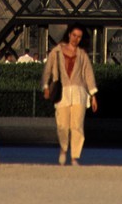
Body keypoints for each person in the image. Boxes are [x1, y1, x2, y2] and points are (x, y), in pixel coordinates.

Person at [42, 23, 98, 166]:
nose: (76, 39)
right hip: (63, 93)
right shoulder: (57, 51)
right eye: (74, 35)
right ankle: (63, 148)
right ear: (69, 34)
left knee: (77, 126)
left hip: (79, 93)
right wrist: (46, 86)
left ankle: (74, 157)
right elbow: (48, 70)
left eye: (79, 37)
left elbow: (88, 75)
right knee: (62, 125)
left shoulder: (82, 54)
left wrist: (93, 95)